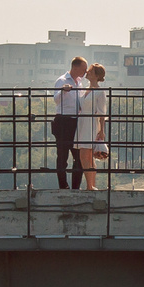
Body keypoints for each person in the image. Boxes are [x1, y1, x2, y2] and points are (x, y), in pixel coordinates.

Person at [52, 56, 87, 188]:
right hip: (63, 120)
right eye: (83, 69)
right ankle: (63, 186)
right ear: (75, 67)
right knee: (62, 155)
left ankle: (75, 186)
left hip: (75, 121)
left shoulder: (79, 83)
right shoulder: (62, 81)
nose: (85, 73)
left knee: (78, 156)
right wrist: (63, 91)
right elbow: (56, 100)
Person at [75, 64, 109, 188]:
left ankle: (90, 185)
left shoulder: (100, 92)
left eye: (90, 71)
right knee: (87, 156)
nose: (87, 72)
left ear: (96, 75)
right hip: (83, 122)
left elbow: (102, 112)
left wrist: (101, 130)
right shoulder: (84, 89)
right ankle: (91, 185)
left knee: (85, 155)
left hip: (91, 123)